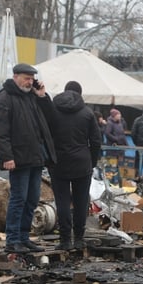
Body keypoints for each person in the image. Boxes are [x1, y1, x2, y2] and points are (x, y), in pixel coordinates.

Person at [0, 63, 55, 254]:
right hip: (18, 158)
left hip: (35, 156)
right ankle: (13, 239)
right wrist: (7, 157)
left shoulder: (31, 97)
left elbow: (49, 117)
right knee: (18, 199)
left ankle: (24, 237)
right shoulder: (4, 98)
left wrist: (42, 96)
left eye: (31, 78)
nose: (30, 82)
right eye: (26, 78)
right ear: (16, 76)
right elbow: (0, 132)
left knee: (32, 199)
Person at [48, 81, 101, 250]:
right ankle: (78, 238)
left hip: (58, 162)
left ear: (64, 92)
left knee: (62, 201)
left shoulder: (53, 111)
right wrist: (92, 161)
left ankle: (64, 240)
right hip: (82, 162)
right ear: (80, 92)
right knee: (81, 201)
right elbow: (96, 140)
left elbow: (46, 136)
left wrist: (49, 158)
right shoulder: (87, 113)